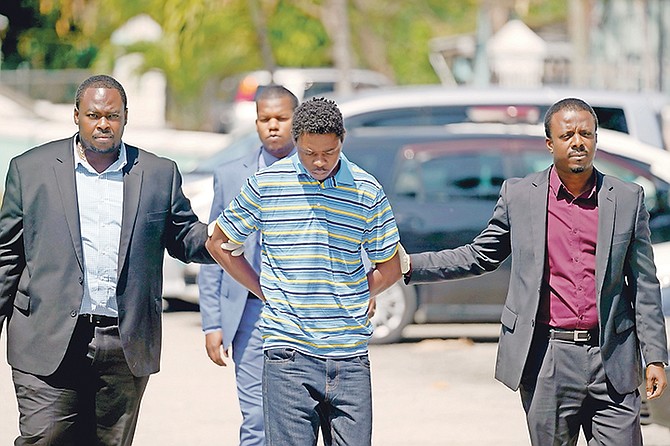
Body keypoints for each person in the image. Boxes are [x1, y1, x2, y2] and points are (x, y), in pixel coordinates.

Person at [404, 97, 668, 445]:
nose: (578, 142)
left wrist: (655, 357)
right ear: (550, 144)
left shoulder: (627, 198)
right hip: (548, 359)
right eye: (568, 135)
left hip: (613, 360)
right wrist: (409, 266)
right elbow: (480, 256)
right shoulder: (520, 196)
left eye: (586, 134)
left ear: (595, 140)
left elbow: (645, 285)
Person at [0, 74, 213, 445]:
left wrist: (226, 238)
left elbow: (185, 237)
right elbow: (6, 255)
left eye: (112, 116)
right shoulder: (30, 169)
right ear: (77, 116)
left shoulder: (158, 174)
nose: (103, 124)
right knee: (44, 438)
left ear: (126, 117)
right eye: (94, 114)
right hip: (47, 337)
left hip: (123, 342)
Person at [205, 97, 403, 446]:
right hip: (288, 356)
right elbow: (219, 244)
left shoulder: (367, 190)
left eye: (330, 151)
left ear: (342, 139)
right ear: (296, 142)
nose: (320, 161)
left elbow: (390, 265)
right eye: (310, 152)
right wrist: (262, 289)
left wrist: (358, 291)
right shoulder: (266, 184)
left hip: (350, 356)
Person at [198, 84, 299, 445]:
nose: (273, 126)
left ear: (296, 120)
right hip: (251, 315)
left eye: (281, 118)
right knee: (255, 418)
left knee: (298, 419)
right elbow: (214, 251)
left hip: (304, 314)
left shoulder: (319, 169)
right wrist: (212, 321)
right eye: (264, 119)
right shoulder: (230, 175)